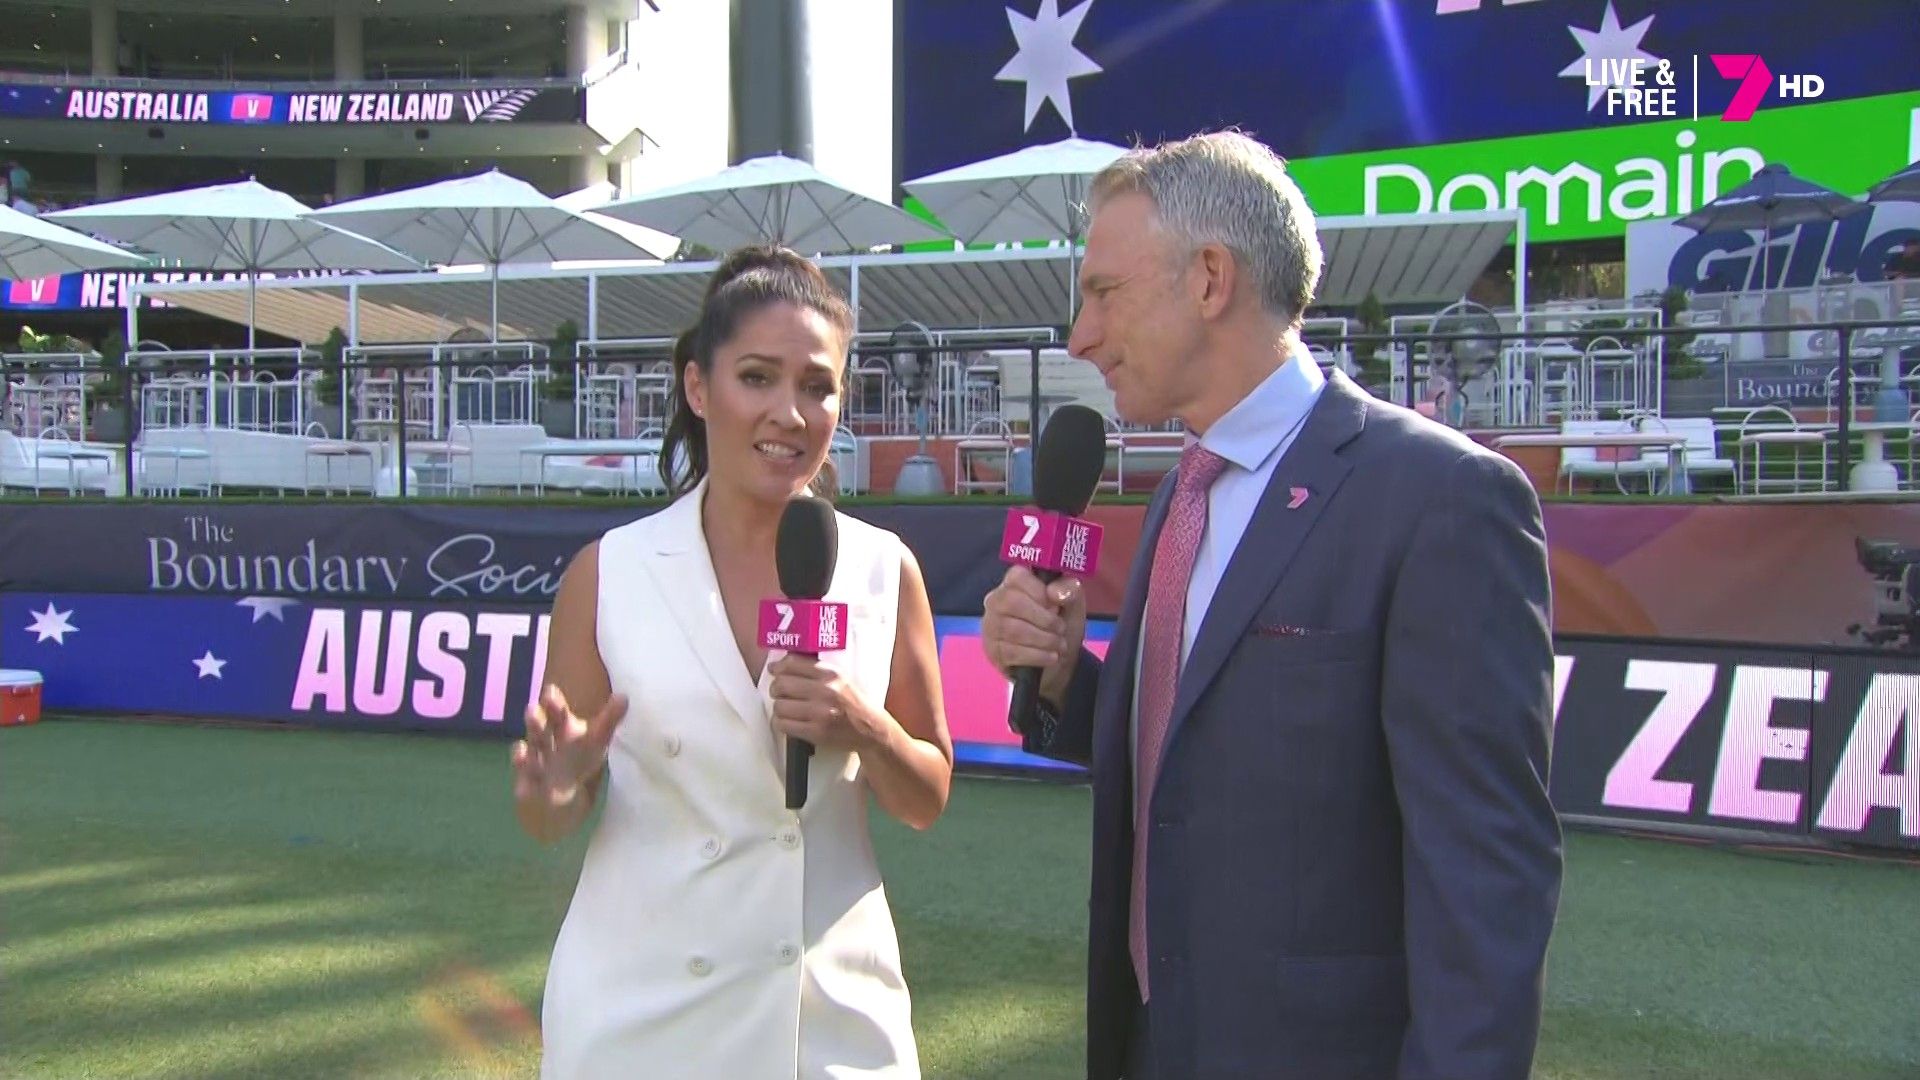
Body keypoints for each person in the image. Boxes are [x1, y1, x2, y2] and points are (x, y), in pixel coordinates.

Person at [980, 131, 1563, 1079]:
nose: (1079, 337)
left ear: (1210, 279)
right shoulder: (1181, 491)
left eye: (1104, 292)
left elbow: (1487, 881)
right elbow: (1198, 749)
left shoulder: (1443, 499)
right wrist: (1060, 680)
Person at [515, 245, 954, 1078]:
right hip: (638, 1023)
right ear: (698, 387)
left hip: (827, 1027)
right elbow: (548, 818)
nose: (789, 413)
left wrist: (862, 726)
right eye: (757, 377)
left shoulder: (884, 568)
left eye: (817, 386)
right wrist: (557, 788)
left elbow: (927, 796)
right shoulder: (610, 572)